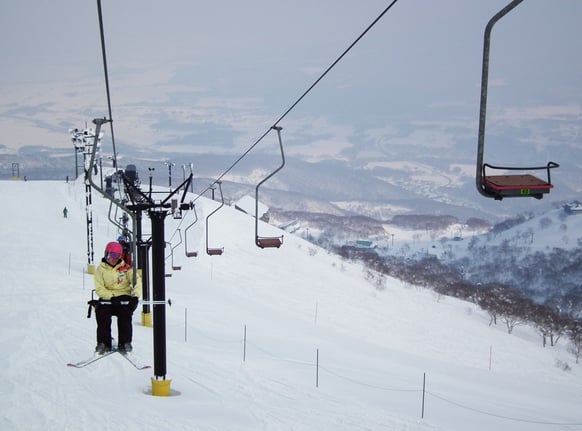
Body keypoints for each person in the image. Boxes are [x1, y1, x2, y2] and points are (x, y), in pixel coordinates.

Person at [93, 241, 142, 354]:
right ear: (107, 254)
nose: (114, 259)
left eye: (117, 256)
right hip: (108, 298)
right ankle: (104, 343)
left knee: (125, 313)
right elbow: (99, 288)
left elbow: (137, 281)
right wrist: (111, 297)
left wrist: (135, 296)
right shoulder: (100, 270)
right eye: (112, 255)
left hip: (123, 296)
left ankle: (125, 343)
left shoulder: (125, 268)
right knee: (101, 312)